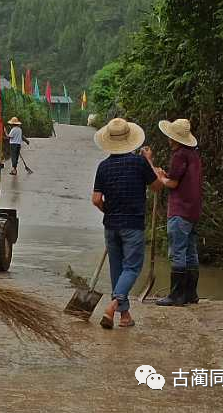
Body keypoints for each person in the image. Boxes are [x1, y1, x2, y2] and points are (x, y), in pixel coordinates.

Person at [92, 118, 162, 329]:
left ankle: (124, 317)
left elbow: (96, 199)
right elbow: (157, 186)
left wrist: (109, 211)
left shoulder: (103, 167)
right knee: (131, 268)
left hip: (111, 226)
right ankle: (112, 306)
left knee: (117, 270)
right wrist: (149, 161)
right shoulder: (139, 163)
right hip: (132, 225)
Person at [143, 119, 202, 307]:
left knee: (177, 252)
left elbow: (173, 183)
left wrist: (155, 170)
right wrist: (163, 175)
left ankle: (176, 295)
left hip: (180, 209)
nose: (168, 139)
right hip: (193, 209)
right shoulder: (193, 154)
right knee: (190, 251)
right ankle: (190, 293)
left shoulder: (179, 154)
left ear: (174, 138)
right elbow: (177, 178)